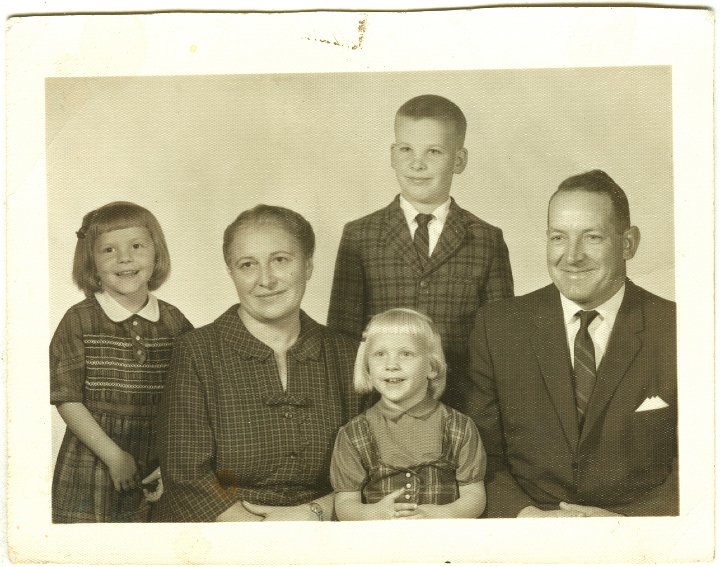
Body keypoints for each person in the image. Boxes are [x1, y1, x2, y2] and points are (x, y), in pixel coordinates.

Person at [465, 169, 677, 517]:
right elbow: (481, 455)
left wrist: (630, 524)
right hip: (530, 532)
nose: (572, 255)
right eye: (558, 237)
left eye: (592, 237)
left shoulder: (677, 327)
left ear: (628, 243)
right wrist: (525, 516)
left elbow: (704, 464)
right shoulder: (499, 327)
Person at [156, 205, 366, 522]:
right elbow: (185, 472)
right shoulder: (196, 351)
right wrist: (258, 531)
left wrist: (314, 513)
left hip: (325, 528)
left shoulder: (349, 355)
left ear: (308, 265)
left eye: (280, 260)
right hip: (223, 534)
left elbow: (376, 464)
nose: (265, 279)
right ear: (231, 272)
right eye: (247, 265)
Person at [327, 94, 514, 410]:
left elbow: (500, 345)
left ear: (459, 160)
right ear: (392, 154)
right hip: (377, 411)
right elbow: (342, 341)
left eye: (434, 151)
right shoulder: (359, 236)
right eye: (406, 149)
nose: (417, 164)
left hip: (461, 410)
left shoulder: (486, 240)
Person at [50, 201, 193, 522]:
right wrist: (114, 457)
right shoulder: (79, 320)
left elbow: (189, 400)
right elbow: (66, 399)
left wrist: (170, 463)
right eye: (109, 250)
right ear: (91, 263)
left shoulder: (175, 322)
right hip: (94, 458)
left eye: (137, 246)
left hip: (160, 458)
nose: (125, 258)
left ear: (157, 254)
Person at [331, 308, 487, 521]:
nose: (391, 365)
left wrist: (444, 513)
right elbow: (345, 505)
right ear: (367, 367)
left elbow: (475, 496)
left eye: (406, 354)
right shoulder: (352, 434)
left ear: (432, 367)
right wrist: (373, 513)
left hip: (443, 545)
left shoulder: (460, 427)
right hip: (379, 547)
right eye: (379, 354)